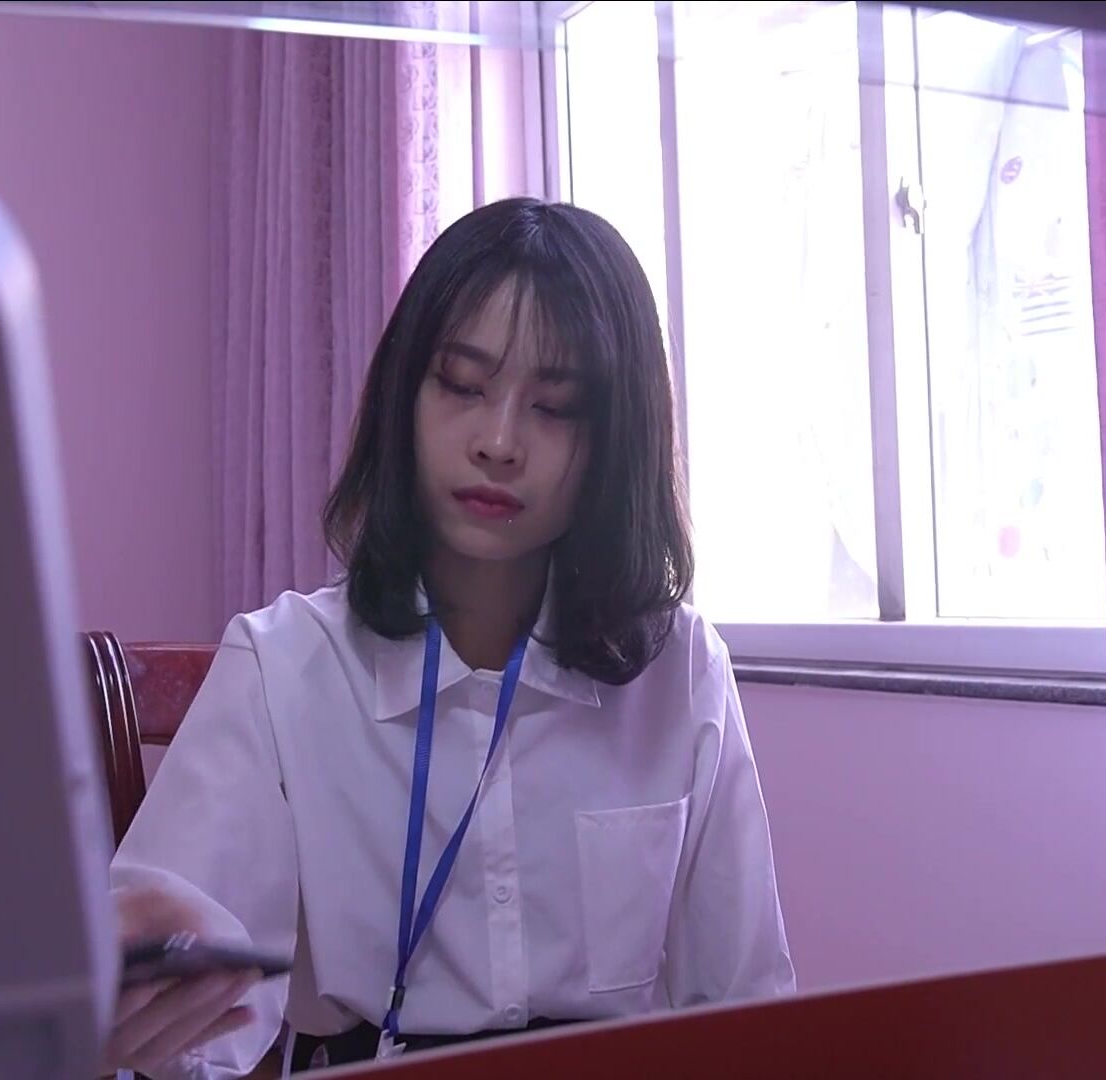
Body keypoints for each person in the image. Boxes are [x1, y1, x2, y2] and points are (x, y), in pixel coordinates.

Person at [102, 197, 795, 1078]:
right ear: (404, 398)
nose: (499, 442)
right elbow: (179, 1023)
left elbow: (746, 1007)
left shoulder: (678, 670)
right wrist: (118, 1006)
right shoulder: (283, 666)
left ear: (616, 442)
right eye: (463, 387)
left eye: (556, 407)